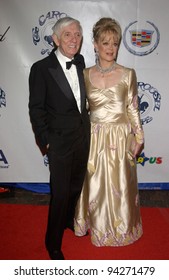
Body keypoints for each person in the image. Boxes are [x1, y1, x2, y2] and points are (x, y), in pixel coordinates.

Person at [74, 17, 144, 247]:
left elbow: (133, 108)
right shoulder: (84, 75)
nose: (111, 48)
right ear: (95, 44)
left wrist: (138, 138)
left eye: (115, 43)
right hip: (93, 138)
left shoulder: (127, 74)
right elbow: (81, 110)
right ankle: (97, 225)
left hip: (121, 137)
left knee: (121, 185)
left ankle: (123, 227)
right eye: (105, 43)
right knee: (94, 184)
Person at [29, 17, 90, 260]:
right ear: (55, 39)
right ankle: (52, 243)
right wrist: (47, 141)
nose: (74, 39)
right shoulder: (41, 68)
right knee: (61, 193)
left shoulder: (81, 61)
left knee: (76, 187)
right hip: (59, 142)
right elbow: (36, 109)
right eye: (67, 34)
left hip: (83, 138)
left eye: (77, 34)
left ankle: (68, 221)